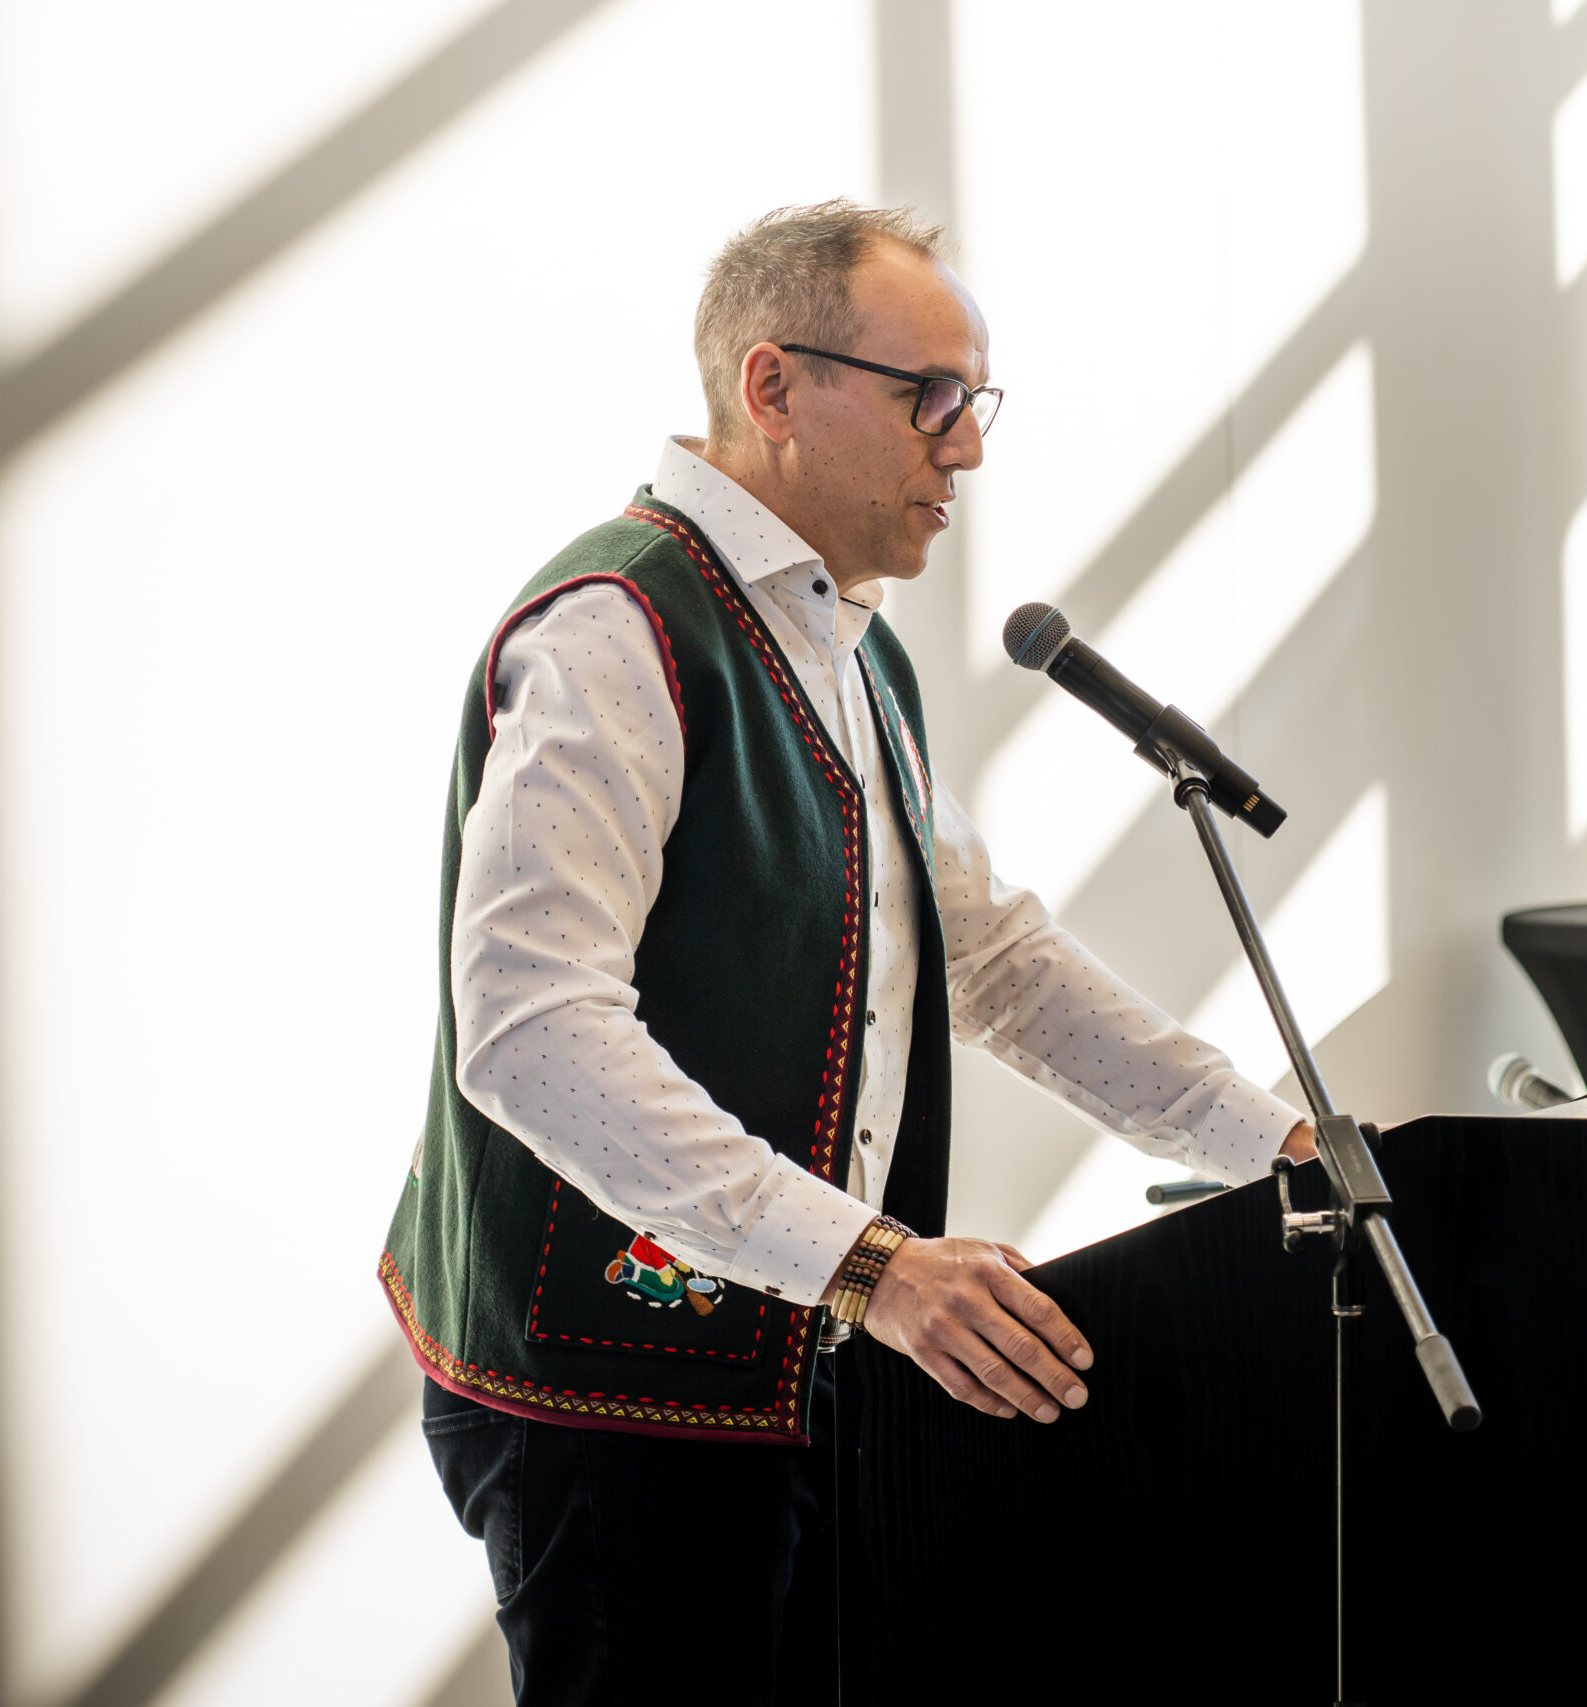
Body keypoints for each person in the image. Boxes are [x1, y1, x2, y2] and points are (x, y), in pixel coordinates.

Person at [379, 200, 1315, 1704]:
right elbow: (531, 1030)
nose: (969, 449)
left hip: (799, 1360)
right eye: (929, 397)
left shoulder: (851, 647)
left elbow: (987, 957)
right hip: (611, 1395)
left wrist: (1276, 1144)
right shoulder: (617, 628)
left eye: (978, 401)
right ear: (773, 388)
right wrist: (872, 1268)